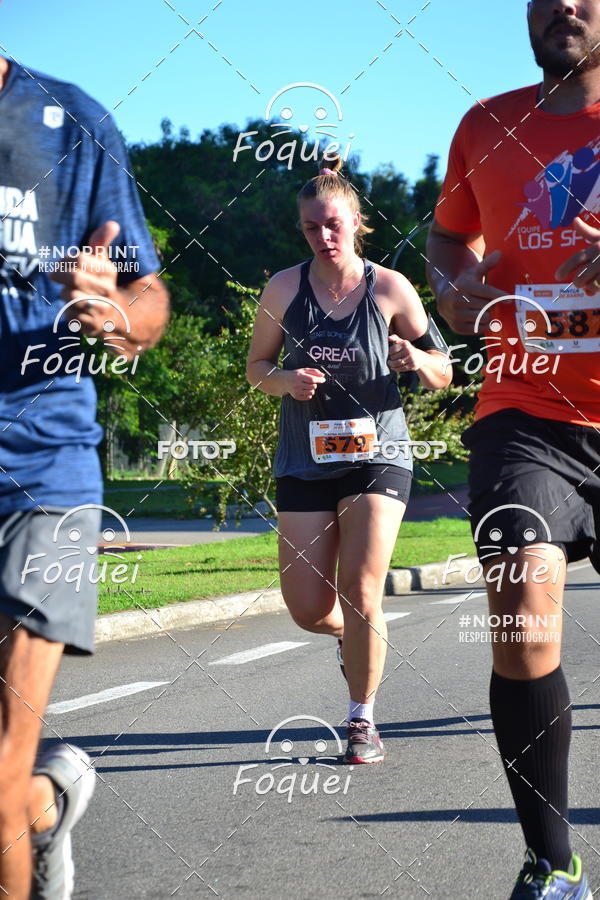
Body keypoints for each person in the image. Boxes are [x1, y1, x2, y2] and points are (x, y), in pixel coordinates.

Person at [426, 1, 600, 896]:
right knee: (523, 619)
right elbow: (450, 234)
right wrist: (453, 287)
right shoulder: (486, 125)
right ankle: (552, 863)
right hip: (524, 412)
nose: (563, 3)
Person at [0, 56, 169, 899]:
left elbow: (148, 294)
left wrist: (117, 316)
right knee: (2, 784)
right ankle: (48, 798)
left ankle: (24, 795)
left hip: (45, 466)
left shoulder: (70, 121)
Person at [246, 154, 451, 764]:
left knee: (362, 590)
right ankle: (354, 639)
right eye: (312, 228)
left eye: (333, 224)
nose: (323, 236)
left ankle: (362, 719)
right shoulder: (284, 289)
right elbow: (257, 371)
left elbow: (445, 369)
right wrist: (286, 382)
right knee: (309, 608)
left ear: (358, 221)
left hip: (377, 454)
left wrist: (416, 361)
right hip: (304, 458)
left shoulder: (390, 287)